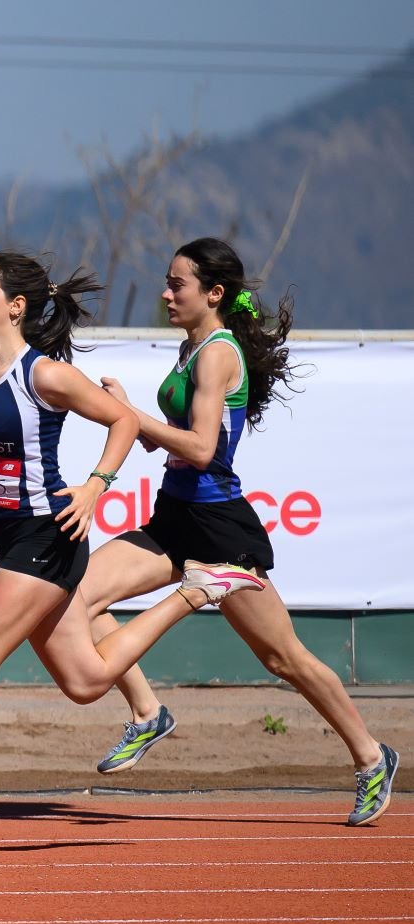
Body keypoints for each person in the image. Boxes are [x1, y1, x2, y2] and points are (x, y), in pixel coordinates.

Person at [0, 250, 266, 856]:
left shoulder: (44, 375)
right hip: (12, 539)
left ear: (16, 307)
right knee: (86, 681)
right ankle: (196, 592)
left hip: (47, 537)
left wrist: (97, 485)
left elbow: (122, 422)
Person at [79, 237, 398, 826]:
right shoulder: (190, 345)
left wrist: (132, 418)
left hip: (221, 531)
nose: (166, 293)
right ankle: (148, 712)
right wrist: (131, 413)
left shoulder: (218, 353)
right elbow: (174, 441)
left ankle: (371, 755)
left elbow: (202, 450)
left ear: (214, 294)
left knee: (282, 657)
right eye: (168, 282)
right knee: (79, 593)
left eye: (178, 284)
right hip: (172, 519)